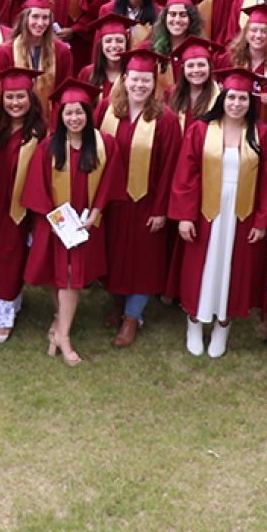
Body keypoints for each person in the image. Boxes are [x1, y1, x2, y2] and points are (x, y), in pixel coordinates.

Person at [168, 68, 267, 359]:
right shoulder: (201, 130)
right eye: (232, 97)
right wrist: (185, 216)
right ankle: (194, 321)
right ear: (222, 98)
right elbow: (186, 175)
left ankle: (222, 324)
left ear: (251, 101)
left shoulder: (262, 134)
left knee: (232, 267)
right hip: (205, 211)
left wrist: (263, 220)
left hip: (241, 214)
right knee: (200, 267)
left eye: (243, 98)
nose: (237, 104)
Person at [21, 79, 117, 365]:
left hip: (84, 225)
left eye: (79, 112)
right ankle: (60, 327)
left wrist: (94, 216)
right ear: (60, 116)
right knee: (58, 275)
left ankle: (61, 335)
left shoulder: (104, 145)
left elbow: (109, 184)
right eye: (68, 113)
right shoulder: (49, 148)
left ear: (88, 115)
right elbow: (36, 187)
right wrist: (57, 223)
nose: (74, 118)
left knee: (72, 277)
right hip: (55, 223)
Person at [98, 49, 181, 348]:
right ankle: (120, 306)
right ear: (125, 79)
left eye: (146, 80)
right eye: (134, 79)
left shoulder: (166, 119)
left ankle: (133, 318)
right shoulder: (107, 111)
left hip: (146, 203)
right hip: (113, 203)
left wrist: (161, 210)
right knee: (115, 256)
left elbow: (171, 167)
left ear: (154, 83)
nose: (139, 85)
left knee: (143, 263)